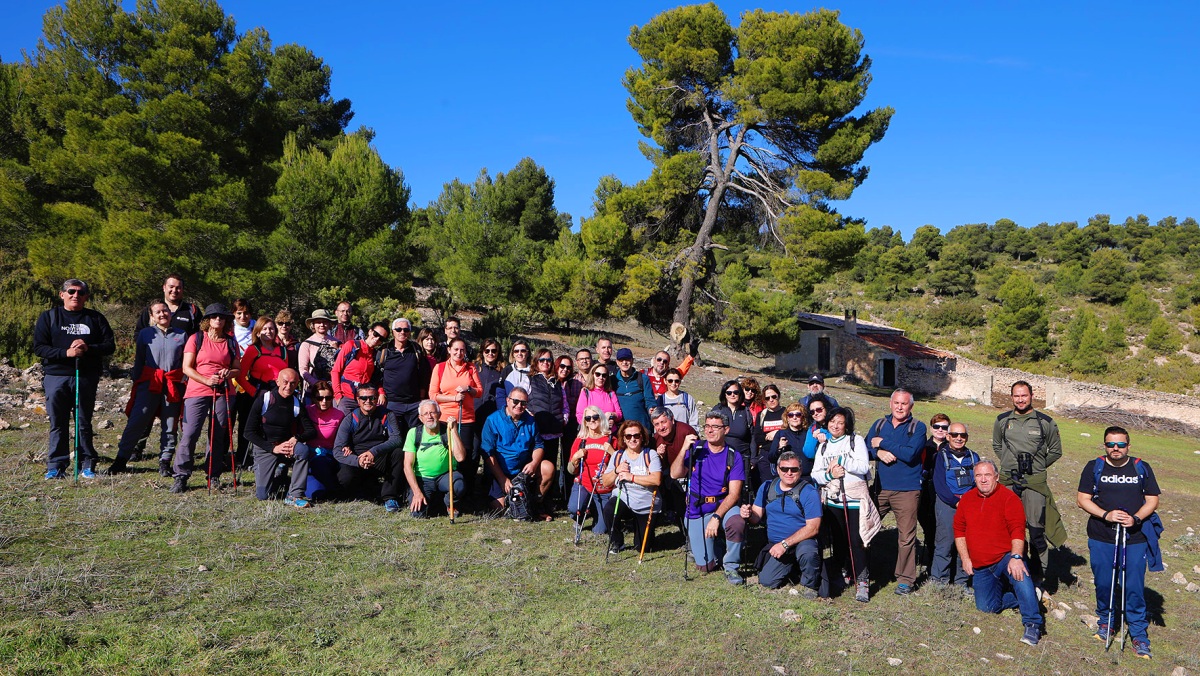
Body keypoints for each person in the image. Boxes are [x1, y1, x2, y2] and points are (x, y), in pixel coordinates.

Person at [1076, 426, 1162, 660]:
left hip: (1134, 537)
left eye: (1121, 444)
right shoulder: (1094, 467)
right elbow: (1082, 499)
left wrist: (1135, 518)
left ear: (1128, 446)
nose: (1115, 448)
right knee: (1104, 583)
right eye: (1110, 444)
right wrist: (1106, 515)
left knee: (1133, 586)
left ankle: (1138, 634)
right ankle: (1106, 622)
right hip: (1101, 535)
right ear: (1104, 445)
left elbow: (1152, 500)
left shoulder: (1141, 467)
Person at [954, 459, 1045, 647]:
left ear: (996, 476)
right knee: (986, 608)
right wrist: (965, 559)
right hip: (981, 565)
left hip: (1005, 557)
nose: (983, 479)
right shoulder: (967, 500)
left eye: (987, 475)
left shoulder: (1009, 498)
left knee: (1020, 574)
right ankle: (1028, 595)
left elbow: (1017, 531)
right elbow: (959, 531)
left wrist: (1016, 557)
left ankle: (1032, 623)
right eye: (978, 475)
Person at [33, 279, 116, 479]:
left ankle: (86, 464)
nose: (75, 295)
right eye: (71, 291)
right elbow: (39, 348)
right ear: (62, 294)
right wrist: (66, 353)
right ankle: (56, 465)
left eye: (80, 292)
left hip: (86, 376)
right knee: (58, 422)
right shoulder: (49, 317)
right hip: (56, 376)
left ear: (86, 296)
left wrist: (88, 348)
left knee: (83, 421)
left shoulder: (95, 318)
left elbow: (109, 346)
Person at [994, 380, 1066, 583]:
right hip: (1008, 480)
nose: (1020, 399)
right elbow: (997, 445)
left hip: (1034, 483)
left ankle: (1037, 575)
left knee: (1036, 529)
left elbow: (1056, 451)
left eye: (1024, 395)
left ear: (1032, 396)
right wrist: (1009, 464)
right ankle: (1008, 570)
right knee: (1006, 527)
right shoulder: (1002, 420)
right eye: (1016, 396)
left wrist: (1038, 466)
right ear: (1011, 397)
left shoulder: (1045, 422)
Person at [108, 301, 187, 476]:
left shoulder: (182, 335)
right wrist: (137, 383)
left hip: (172, 385)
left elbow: (186, 363)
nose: (162, 314)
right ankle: (121, 460)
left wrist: (184, 382)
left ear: (170, 313)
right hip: (149, 383)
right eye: (158, 312)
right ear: (152, 316)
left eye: (165, 311)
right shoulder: (145, 334)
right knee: (137, 421)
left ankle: (165, 462)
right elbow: (139, 362)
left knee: (169, 425)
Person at [672, 411, 747, 585]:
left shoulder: (733, 455)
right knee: (705, 566)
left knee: (737, 522)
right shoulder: (696, 449)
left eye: (715, 427)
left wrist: (716, 517)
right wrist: (684, 448)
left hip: (722, 505)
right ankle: (718, 544)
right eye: (707, 426)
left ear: (726, 430)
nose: (710, 430)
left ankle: (731, 566)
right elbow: (676, 473)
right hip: (697, 508)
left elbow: (734, 494)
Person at [813, 407, 879, 602]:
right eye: (832, 421)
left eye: (840, 422)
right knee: (839, 540)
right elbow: (816, 473)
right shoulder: (823, 446)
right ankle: (844, 573)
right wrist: (829, 474)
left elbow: (863, 466)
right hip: (833, 500)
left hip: (854, 500)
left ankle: (863, 581)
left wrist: (842, 460)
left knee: (857, 542)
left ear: (846, 425)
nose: (835, 425)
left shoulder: (855, 441)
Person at [866, 388, 928, 595]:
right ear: (890, 404)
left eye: (904, 404)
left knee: (907, 536)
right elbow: (865, 448)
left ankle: (905, 579)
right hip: (880, 488)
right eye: (896, 403)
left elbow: (910, 454)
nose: (900, 407)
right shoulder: (879, 424)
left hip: (907, 490)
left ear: (911, 406)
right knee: (864, 528)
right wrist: (878, 452)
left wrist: (883, 442)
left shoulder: (917, 427)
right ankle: (861, 571)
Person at [173, 303, 240, 493]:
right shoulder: (196, 338)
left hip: (223, 390)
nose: (218, 319)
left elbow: (237, 369)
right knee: (190, 433)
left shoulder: (231, 342)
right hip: (197, 390)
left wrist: (229, 374)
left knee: (218, 434)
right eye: (214, 316)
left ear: (226, 320)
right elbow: (187, 367)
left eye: (221, 317)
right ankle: (181, 475)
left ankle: (213, 474)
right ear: (207, 320)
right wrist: (205, 380)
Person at [741, 451, 822, 595]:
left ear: (800, 470)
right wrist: (747, 514)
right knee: (766, 581)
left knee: (807, 553)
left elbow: (813, 528)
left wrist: (785, 544)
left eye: (794, 469)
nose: (789, 473)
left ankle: (810, 586)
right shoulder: (767, 487)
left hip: (802, 542)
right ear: (778, 469)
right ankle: (794, 569)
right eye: (784, 469)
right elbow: (755, 517)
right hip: (777, 545)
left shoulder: (809, 492)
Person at [243, 369, 316, 508]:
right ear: (277, 382)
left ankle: (295, 495)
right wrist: (273, 448)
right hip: (266, 447)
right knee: (263, 495)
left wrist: (296, 438)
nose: (288, 387)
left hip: (287, 446)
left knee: (303, 450)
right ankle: (280, 474)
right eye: (285, 382)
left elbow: (311, 431)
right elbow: (248, 432)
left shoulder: (296, 403)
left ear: (297, 385)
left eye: (293, 383)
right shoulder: (264, 400)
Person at [481, 387, 555, 516]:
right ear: (507, 400)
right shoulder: (492, 420)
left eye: (524, 403)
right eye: (515, 401)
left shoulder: (530, 421)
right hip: (500, 471)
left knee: (548, 467)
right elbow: (488, 453)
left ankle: (535, 504)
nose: (519, 405)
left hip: (522, 471)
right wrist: (502, 479)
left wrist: (534, 463)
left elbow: (538, 445)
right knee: (500, 508)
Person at [331, 384, 406, 511]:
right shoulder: (350, 419)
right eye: (364, 398)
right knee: (344, 479)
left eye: (372, 398)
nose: (368, 401)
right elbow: (337, 450)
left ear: (377, 399)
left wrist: (373, 452)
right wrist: (357, 461)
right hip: (357, 459)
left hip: (379, 457)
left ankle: (389, 497)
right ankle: (363, 489)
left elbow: (396, 439)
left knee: (398, 453)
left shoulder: (387, 415)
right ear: (357, 400)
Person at [428, 338, 482, 498]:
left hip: (465, 419)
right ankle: (445, 491)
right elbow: (433, 395)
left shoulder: (471, 368)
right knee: (445, 454)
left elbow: (479, 391)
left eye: (462, 350)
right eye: (456, 349)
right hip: (445, 417)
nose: (459, 353)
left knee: (464, 456)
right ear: (449, 350)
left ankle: (463, 492)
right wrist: (453, 398)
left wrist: (468, 389)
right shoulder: (440, 368)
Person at [931, 422, 981, 591]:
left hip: (969, 506)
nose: (959, 439)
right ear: (948, 436)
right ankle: (939, 581)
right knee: (945, 543)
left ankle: (962, 582)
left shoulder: (974, 457)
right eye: (955, 435)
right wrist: (955, 501)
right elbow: (939, 484)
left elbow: (979, 483)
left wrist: (969, 502)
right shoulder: (941, 456)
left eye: (963, 435)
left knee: (966, 545)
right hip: (947, 504)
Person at [235, 316, 290, 468]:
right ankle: (243, 459)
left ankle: (275, 456)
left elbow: (285, 373)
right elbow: (240, 375)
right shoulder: (253, 350)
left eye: (271, 328)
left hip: (277, 393)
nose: (268, 332)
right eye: (264, 329)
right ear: (258, 332)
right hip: (256, 392)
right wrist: (254, 392)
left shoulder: (283, 351)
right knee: (249, 425)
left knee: (273, 426)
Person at [600, 421, 662, 554]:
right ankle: (617, 542)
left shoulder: (650, 455)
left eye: (636, 435)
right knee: (609, 510)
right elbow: (605, 482)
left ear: (642, 437)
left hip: (645, 502)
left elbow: (656, 479)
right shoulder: (618, 456)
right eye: (628, 436)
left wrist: (631, 477)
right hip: (623, 497)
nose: (632, 439)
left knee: (643, 548)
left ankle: (641, 528)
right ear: (623, 438)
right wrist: (616, 470)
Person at [403, 400, 466, 518]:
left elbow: (460, 457)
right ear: (420, 418)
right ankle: (430, 501)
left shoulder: (447, 431)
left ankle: (449, 504)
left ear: (439, 414)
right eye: (425, 414)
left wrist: (453, 431)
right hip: (423, 478)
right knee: (418, 514)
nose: (429, 416)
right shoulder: (414, 433)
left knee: (458, 485)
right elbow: (407, 465)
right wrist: (417, 493)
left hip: (445, 476)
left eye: (433, 412)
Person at [377, 317, 430, 440]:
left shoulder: (416, 350)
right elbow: (376, 376)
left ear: (410, 332)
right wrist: (380, 393)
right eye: (399, 329)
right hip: (392, 404)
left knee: (415, 438)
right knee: (395, 438)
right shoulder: (384, 351)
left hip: (413, 404)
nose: (402, 332)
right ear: (393, 331)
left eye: (406, 329)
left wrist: (422, 399)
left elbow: (424, 375)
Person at [566, 405, 617, 534]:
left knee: (600, 531)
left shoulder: (611, 440)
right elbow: (571, 470)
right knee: (573, 508)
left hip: (604, 488)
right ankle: (580, 514)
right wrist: (575, 458)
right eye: (588, 418)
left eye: (595, 417)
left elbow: (620, 463)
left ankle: (595, 510)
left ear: (601, 418)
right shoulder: (580, 441)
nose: (592, 420)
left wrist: (612, 452)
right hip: (585, 484)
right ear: (585, 422)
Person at [527, 348, 565, 500]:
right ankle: (530, 499)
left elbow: (564, 404)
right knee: (536, 467)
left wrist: (564, 418)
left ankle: (545, 499)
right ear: (536, 361)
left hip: (554, 431)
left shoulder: (556, 382)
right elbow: (524, 401)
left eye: (548, 360)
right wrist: (531, 418)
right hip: (537, 431)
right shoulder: (530, 379)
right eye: (542, 360)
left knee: (551, 466)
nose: (545, 363)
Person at [649, 406, 696, 528]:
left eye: (663, 422)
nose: (661, 427)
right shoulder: (656, 438)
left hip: (687, 472)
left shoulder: (686, 432)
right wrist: (658, 456)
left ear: (672, 420)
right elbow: (656, 466)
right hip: (667, 473)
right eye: (657, 424)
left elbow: (694, 461)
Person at [330, 322, 388, 415]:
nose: (377, 339)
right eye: (376, 334)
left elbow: (376, 379)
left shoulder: (376, 355)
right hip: (345, 398)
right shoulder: (352, 346)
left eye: (381, 338)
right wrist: (338, 395)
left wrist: (381, 392)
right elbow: (336, 371)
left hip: (364, 399)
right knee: (343, 427)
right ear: (370, 331)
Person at [919, 413, 951, 572]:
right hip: (925, 491)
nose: (940, 430)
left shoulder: (951, 447)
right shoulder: (923, 446)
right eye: (937, 426)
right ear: (931, 428)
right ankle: (932, 559)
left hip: (943, 491)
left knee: (944, 528)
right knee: (929, 526)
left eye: (944, 427)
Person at [304, 380, 344, 501]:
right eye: (320, 398)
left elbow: (343, 438)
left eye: (328, 398)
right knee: (315, 494)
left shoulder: (339, 415)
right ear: (314, 398)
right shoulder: (306, 411)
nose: (324, 401)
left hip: (330, 456)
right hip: (310, 456)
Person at [134, 273, 201, 335]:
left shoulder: (192, 310)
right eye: (171, 287)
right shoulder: (150, 310)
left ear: (182, 290)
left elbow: (200, 336)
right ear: (164, 288)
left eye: (178, 288)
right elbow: (139, 334)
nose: (174, 290)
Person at [298, 309, 341, 390]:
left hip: (335, 386)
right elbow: (303, 369)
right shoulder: (307, 344)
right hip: (313, 388)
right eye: (318, 322)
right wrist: (315, 383)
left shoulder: (338, 343)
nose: (322, 324)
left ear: (329, 324)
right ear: (313, 325)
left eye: (325, 322)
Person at [711, 380, 755, 458]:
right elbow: (710, 432)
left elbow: (752, 436)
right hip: (720, 456)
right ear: (724, 394)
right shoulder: (718, 410)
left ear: (740, 394)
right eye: (729, 393)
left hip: (742, 457)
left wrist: (753, 458)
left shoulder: (746, 411)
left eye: (736, 392)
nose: (732, 395)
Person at [753, 384, 786, 485]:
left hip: (783, 454)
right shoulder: (762, 415)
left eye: (773, 397)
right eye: (767, 398)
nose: (771, 400)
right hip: (766, 456)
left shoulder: (786, 413)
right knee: (768, 486)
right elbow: (758, 437)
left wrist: (776, 433)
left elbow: (791, 432)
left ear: (778, 396)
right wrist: (769, 437)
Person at [768, 403, 813, 478]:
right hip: (787, 477)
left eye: (798, 415)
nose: (794, 417)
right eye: (791, 415)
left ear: (803, 417)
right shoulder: (781, 434)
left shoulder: (809, 434)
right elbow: (771, 458)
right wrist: (780, 449)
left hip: (807, 477)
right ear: (787, 418)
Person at [800, 395, 830, 465]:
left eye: (819, 410)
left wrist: (824, 433)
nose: (816, 413)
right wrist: (815, 437)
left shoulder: (836, 425)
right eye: (812, 412)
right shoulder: (812, 429)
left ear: (826, 409)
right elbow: (809, 453)